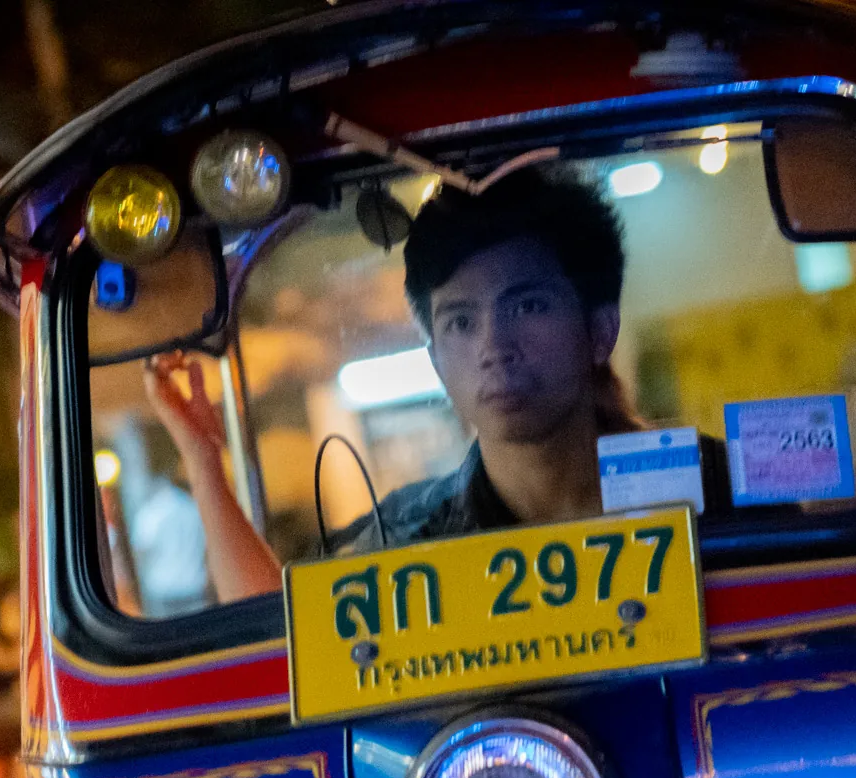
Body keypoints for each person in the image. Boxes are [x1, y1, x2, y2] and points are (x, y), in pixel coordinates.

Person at [145, 167, 687, 603]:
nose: (494, 347)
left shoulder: (706, 493)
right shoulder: (402, 546)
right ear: (436, 362)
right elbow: (278, 648)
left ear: (601, 330)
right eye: (461, 322)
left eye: (528, 307)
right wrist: (203, 460)